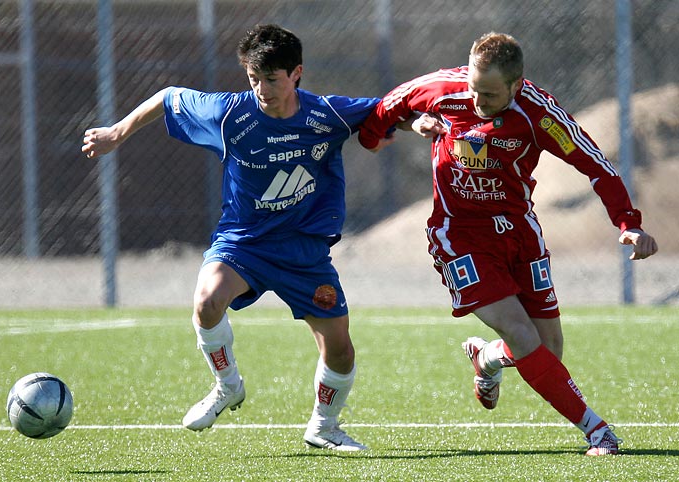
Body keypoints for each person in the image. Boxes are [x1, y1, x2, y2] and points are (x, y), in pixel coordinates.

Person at [82, 24, 382, 451]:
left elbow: (388, 109)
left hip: (304, 251)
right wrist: (117, 132)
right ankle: (227, 385)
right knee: (206, 301)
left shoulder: (326, 115)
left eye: (271, 79)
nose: (261, 88)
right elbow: (168, 97)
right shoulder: (230, 114)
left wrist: (421, 121)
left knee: (340, 350)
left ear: (297, 73)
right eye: (253, 78)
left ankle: (324, 426)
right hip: (244, 243)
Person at [358, 32, 658, 456]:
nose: (478, 101)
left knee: (548, 348)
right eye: (474, 89)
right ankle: (596, 430)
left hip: (519, 233)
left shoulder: (539, 113)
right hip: (459, 234)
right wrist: (402, 127)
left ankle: (488, 359)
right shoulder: (441, 89)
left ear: (516, 85)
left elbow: (595, 164)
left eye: (490, 94)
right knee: (521, 332)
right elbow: (378, 118)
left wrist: (628, 222)